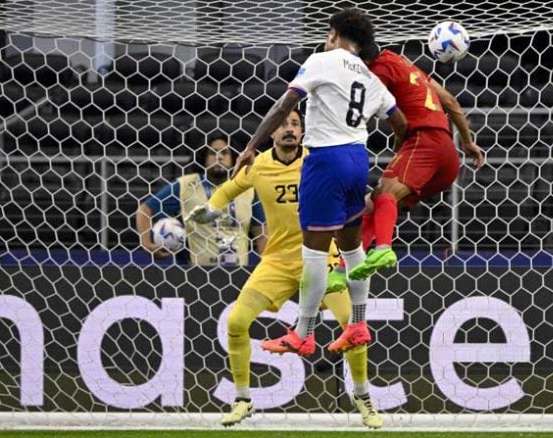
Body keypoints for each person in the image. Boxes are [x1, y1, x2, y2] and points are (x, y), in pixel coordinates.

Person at [187, 109, 383, 428]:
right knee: (236, 322)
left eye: (295, 124)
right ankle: (243, 400)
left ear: (303, 131)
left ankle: (362, 396)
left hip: (322, 257)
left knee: (352, 323)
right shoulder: (258, 165)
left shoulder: (318, 160)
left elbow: (350, 187)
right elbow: (227, 189)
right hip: (277, 260)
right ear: (272, 133)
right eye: (282, 124)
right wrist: (211, 209)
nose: (289, 129)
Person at [234, 8, 407, 356]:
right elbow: (400, 123)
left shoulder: (321, 61)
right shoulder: (371, 77)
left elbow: (284, 105)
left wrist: (252, 145)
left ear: (334, 35)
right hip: (358, 161)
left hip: (325, 161)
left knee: (313, 253)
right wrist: (397, 162)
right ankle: (358, 324)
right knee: (352, 249)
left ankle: (303, 333)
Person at [330, 43, 484, 283]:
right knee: (374, 205)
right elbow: (451, 102)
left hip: (424, 141)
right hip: (447, 155)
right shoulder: (404, 64)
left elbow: (372, 112)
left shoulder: (379, 70)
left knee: (384, 194)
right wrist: (467, 142)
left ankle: (383, 248)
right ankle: (342, 270)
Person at [136, 131, 265, 265]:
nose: (219, 157)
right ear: (203, 157)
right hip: (196, 273)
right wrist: (147, 244)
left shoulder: (247, 189)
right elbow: (144, 210)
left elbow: (262, 233)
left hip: (239, 273)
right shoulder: (185, 185)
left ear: (234, 158)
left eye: (224, 153)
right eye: (212, 153)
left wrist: (265, 265)